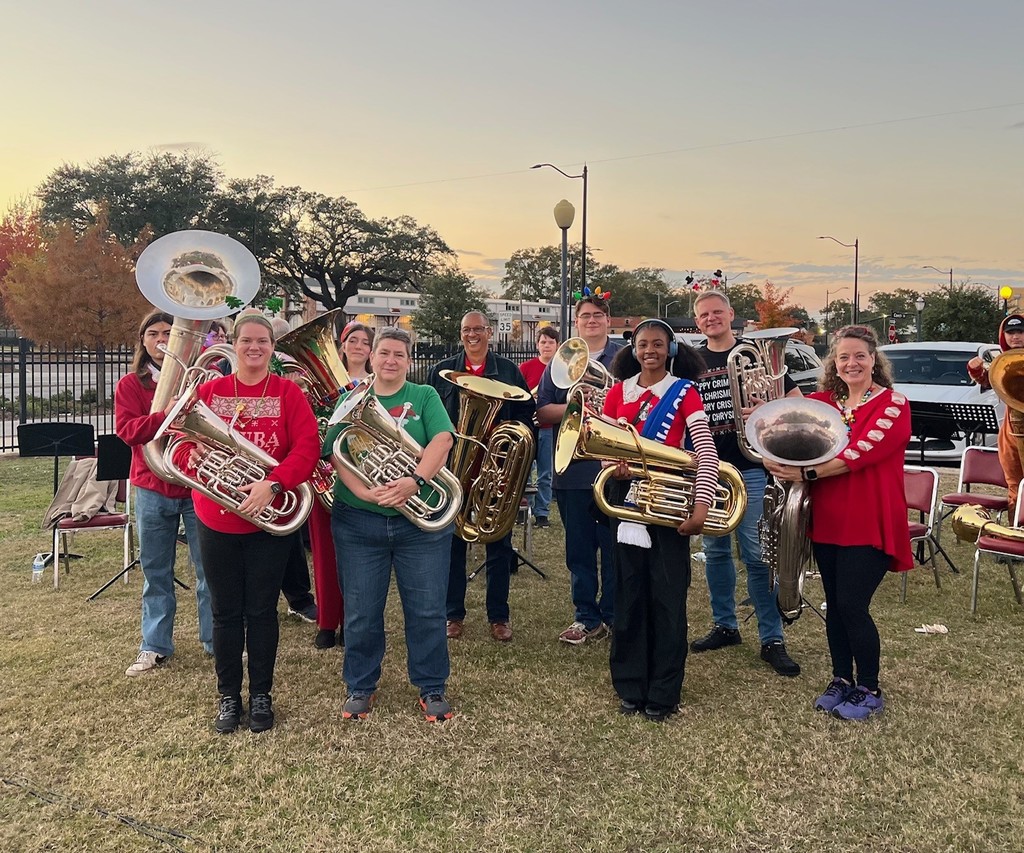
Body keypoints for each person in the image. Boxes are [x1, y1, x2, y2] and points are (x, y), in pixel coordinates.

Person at [181, 313, 320, 734]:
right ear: (234, 344)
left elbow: (308, 446)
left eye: (262, 341)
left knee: (262, 611)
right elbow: (182, 442)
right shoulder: (210, 391)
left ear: (272, 348)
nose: (254, 347)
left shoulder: (287, 393)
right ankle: (228, 697)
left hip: (266, 519)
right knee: (225, 612)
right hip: (215, 517)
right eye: (247, 340)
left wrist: (274, 484)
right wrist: (196, 457)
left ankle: (260, 693)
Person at [765, 325, 911, 720]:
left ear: (874, 360)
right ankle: (841, 679)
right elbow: (779, 425)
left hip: (869, 519)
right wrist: (766, 446)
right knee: (835, 607)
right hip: (827, 518)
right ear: (834, 362)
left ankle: (869, 687)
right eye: (844, 357)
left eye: (860, 356)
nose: (852, 363)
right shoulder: (824, 402)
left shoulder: (894, 403)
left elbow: (862, 451)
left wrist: (806, 474)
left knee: (851, 605)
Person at [325, 327, 457, 722]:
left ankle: (432, 686)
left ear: (409, 360)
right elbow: (336, 452)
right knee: (362, 610)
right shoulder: (351, 399)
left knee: (428, 609)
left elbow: (443, 441)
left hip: (420, 523)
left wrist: (413, 480)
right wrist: (364, 494)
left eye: (399, 354)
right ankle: (360, 686)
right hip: (358, 521)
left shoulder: (424, 396)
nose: (390, 360)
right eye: (384, 352)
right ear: (372, 356)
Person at [602, 319, 719, 722]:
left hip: (669, 499)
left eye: (657, 344)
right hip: (626, 499)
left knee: (668, 597)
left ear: (670, 349)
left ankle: (664, 691)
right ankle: (630, 686)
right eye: (642, 344)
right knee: (628, 594)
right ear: (633, 349)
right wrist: (610, 464)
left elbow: (704, 449)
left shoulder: (685, 392)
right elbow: (603, 444)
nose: (649, 349)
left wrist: (702, 504)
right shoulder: (617, 391)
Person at [690, 291, 802, 676]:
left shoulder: (755, 355)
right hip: (708, 469)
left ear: (731, 315)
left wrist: (768, 409)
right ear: (697, 320)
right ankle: (725, 625)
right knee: (716, 550)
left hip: (751, 466)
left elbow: (796, 404)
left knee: (756, 555)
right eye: (704, 314)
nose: (711, 319)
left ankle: (772, 638)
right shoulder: (689, 360)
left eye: (717, 312)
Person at [426, 311, 536, 643]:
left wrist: (510, 467)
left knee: (498, 542)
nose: (472, 335)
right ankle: (453, 615)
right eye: (466, 330)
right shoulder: (441, 371)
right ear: (460, 334)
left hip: (495, 469)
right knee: (452, 544)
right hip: (452, 468)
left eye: (478, 329)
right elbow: (428, 418)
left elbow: (525, 421)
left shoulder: (508, 371)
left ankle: (499, 616)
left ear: (489, 332)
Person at [115, 311, 213, 677]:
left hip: (195, 484)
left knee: (208, 570)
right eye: (153, 333)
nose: (160, 340)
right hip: (152, 485)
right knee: (156, 571)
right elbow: (128, 431)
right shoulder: (130, 385)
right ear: (143, 341)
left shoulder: (198, 382)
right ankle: (154, 645)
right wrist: (166, 415)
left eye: (168, 334)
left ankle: (215, 641)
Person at [537, 296, 624, 644]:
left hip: (616, 467)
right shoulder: (562, 361)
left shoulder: (625, 357)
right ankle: (586, 617)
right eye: (584, 316)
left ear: (607, 319)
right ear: (576, 323)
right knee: (580, 551)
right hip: (573, 468)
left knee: (617, 549)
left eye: (597, 315)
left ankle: (616, 615)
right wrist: (579, 407)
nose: (591, 320)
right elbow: (543, 412)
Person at [309, 321, 375, 650]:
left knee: (357, 556)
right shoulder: (321, 387)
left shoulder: (379, 385)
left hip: (363, 476)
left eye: (365, 342)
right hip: (325, 474)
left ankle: (352, 621)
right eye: (353, 340)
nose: (359, 346)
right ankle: (326, 621)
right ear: (342, 344)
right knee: (323, 550)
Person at [267, 315, 319, 626]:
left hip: (287, 463)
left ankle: (299, 599)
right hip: (253, 465)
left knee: (290, 536)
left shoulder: (294, 372)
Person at [966, 313, 1024, 512]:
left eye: (1020, 332)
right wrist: (976, 371)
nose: (1015, 337)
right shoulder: (1001, 360)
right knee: (1014, 485)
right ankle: (1014, 531)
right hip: (1011, 431)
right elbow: (988, 381)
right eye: (1011, 333)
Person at [519, 325, 560, 527]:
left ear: (557, 345)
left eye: (551, 342)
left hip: (547, 427)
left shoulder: (561, 370)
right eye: (543, 342)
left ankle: (542, 513)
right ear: (537, 345)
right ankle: (522, 510)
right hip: (528, 427)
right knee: (523, 471)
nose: (546, 346)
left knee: (546, 473)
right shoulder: (525, 368)